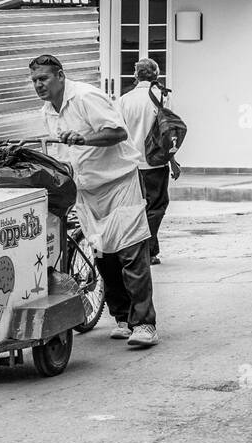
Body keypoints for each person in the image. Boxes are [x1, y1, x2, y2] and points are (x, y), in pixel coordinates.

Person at [30, 54, 159, 348]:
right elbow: (65, 150)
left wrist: (84, 139)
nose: (39, 85)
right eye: (35, 81)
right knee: (103, 256)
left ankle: (145, 324)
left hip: (119, 183)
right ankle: (124, 319)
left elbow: (118, 131)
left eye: (44, 79)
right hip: (87, 190)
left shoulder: (86, 97)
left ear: (60, 75)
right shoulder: (47, 111)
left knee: (130, 254)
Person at [119, 58, 176, 265]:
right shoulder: (162, 96)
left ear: (136, 76)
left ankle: (147, 249)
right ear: (157, 75)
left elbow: (120, 131)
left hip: (132, 163)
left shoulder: (125, 99)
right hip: (156, 162)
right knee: (157, 206)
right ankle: (147, 250)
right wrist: (173, 160)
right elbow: (168, 132)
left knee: (139, 207)